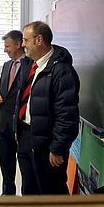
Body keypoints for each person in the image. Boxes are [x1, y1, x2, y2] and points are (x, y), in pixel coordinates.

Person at [15, 21, 80, 195]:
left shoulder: (62, 71)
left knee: (51, 191)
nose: (22, 45)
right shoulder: (30, 66)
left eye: (25, 40)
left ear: (38, 40)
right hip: (27, 137)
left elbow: (67, 115)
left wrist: (57, 148)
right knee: (29, 189)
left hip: (48, 144)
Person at [0, 30, 31, 195]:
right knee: (6, 161)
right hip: (4, 122)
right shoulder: (7, 65)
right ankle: (8, 193)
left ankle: (27, 197)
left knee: (25, 164)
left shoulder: (31, 65)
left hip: (22, 125)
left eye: (7, 46)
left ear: (19, 44)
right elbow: (0, 85)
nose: (5, 50)